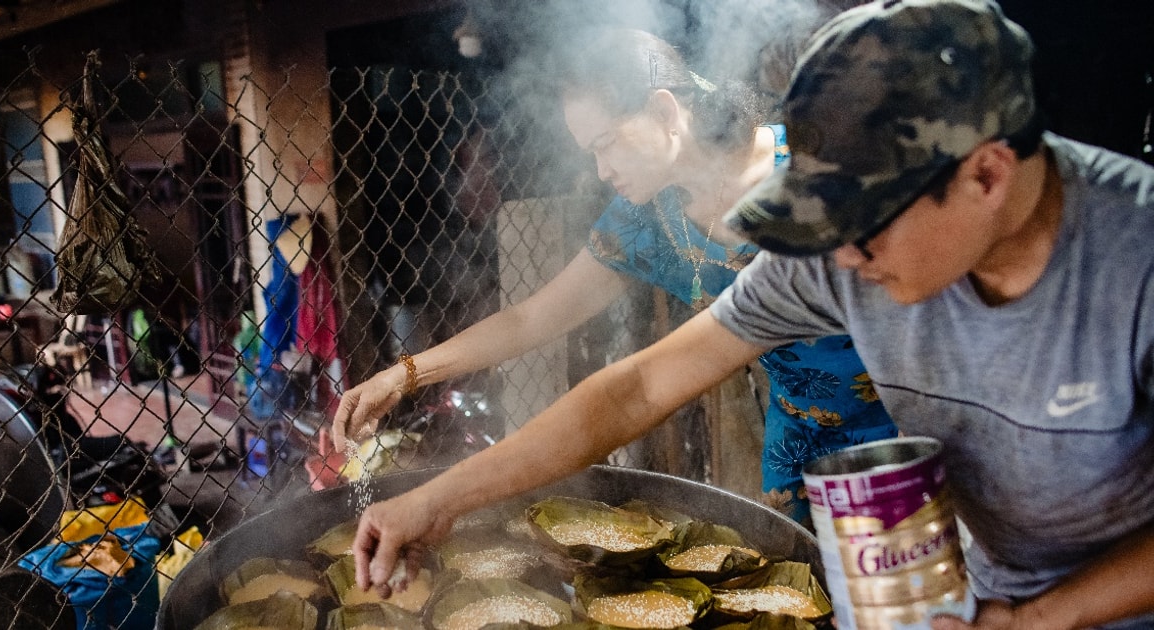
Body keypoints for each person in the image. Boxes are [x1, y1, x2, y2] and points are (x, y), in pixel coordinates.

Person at [347, 0, 1154, 627]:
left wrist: (1046, 618)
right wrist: (439, 497)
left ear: (986, 175)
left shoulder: (1136, 263)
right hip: (974, 583)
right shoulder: (836, 256)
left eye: (862, 228)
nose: (838, 263)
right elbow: (635, 390)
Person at [333, 27, 896, 519]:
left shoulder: (813, 172)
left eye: (605, 144)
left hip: (908, 428)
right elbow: (531, 318)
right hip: (800, 442)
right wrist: (402, 375)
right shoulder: (647, 219)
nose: (602, 171)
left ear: (663, 112)